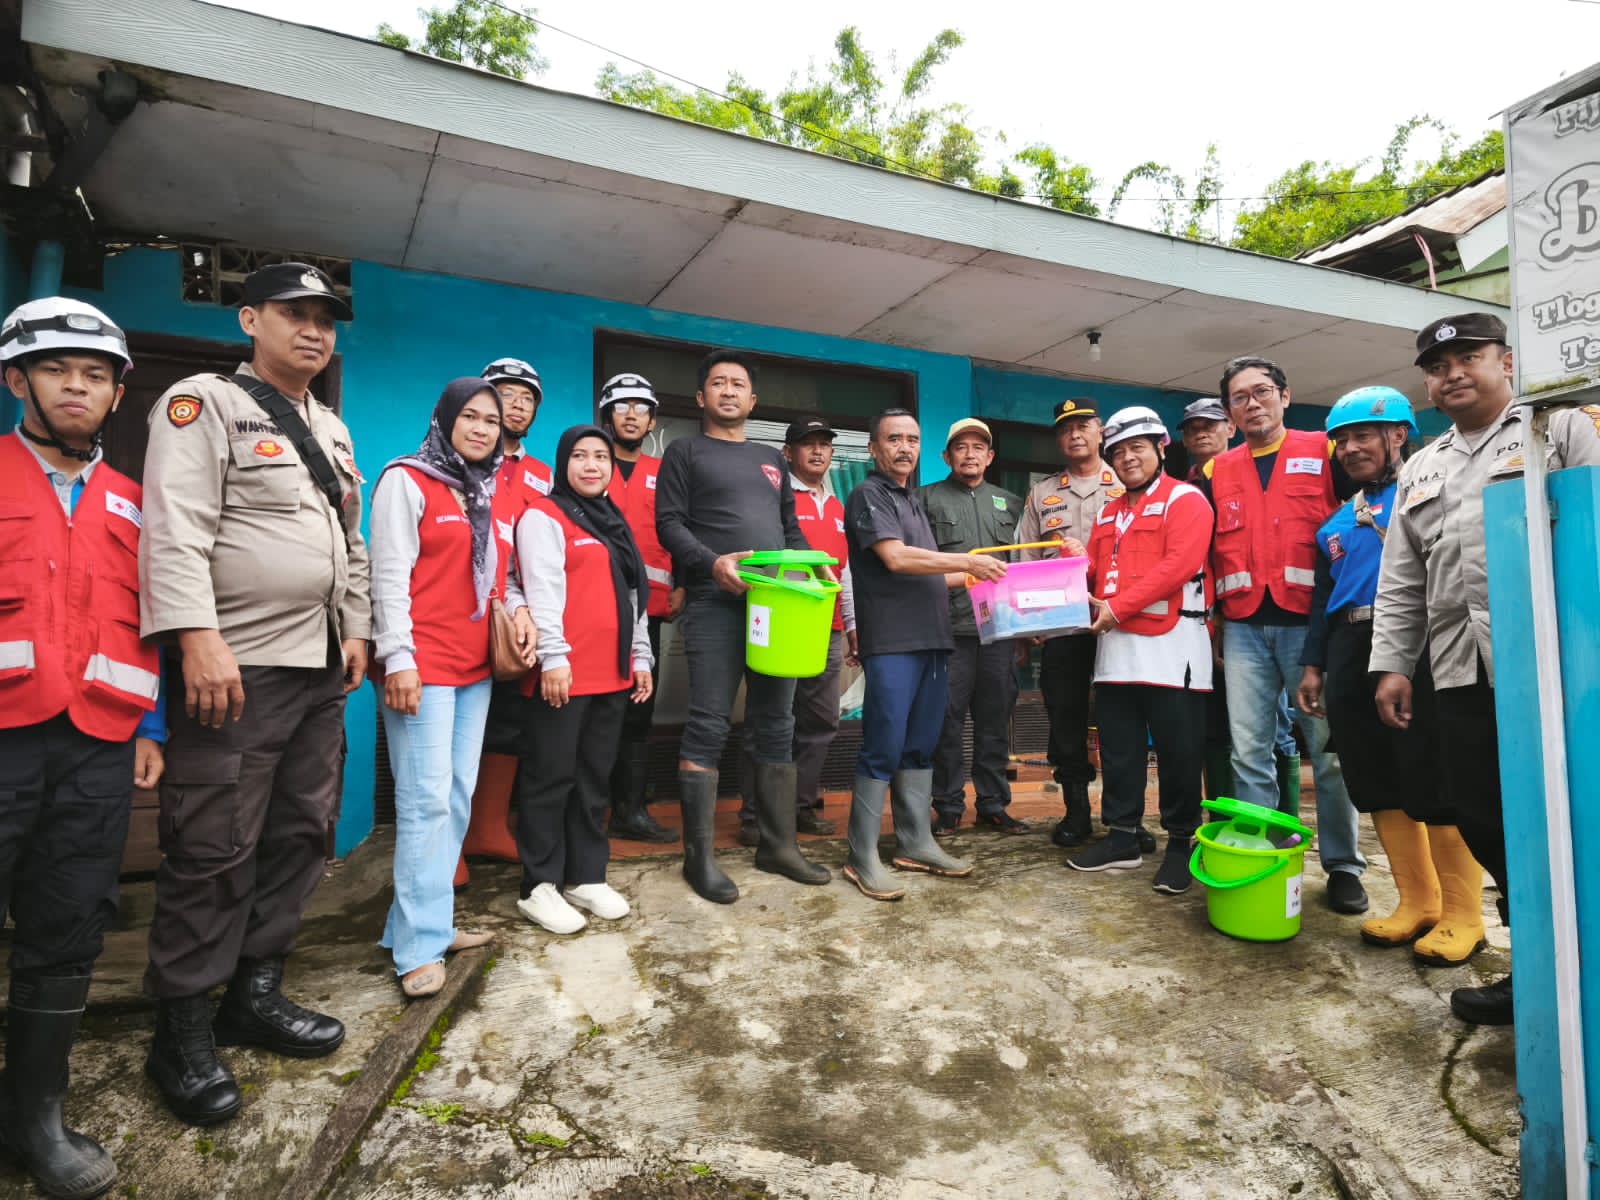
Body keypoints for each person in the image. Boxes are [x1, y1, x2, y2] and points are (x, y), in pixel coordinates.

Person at [139, 261, 370, 1126]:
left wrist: (358, 628)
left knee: (298, 835)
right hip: (235, 668)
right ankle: (183, 1031)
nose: (314, 330)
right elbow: (174, 527)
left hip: (317, 670)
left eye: (326, 319)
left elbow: (349, 544)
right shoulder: (203, 404)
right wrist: (195, 637)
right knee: (214, 847)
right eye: (295, 314)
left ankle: (254, 992)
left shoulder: (334, 430)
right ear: (249, 320)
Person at [1371, 313, 1600, 1025]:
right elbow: (1401, 579)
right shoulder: (1422, 465)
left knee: (1575, 813)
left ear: (1506, 360)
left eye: (1469, 357)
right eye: (1438, 367)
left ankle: (1582, 963)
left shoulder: (1559, 429)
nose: (1453, 374)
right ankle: (1536, 965)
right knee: (1482, 814)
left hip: (1562, 665)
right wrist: (1392, 666)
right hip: (1461, 672)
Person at [0, 299, 164, 1198]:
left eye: (95, 375)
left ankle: (33, 1114)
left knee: (67, 929)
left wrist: (153, 727)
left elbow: (153, 628)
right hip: (5, 736)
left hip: (99, 744)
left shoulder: (134, 504)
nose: (77, 386)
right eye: (59, 369)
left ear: (115, 394)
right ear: (17, 379)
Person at [1297, 387, 1484, 964]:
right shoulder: (1335, 523)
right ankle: (1416, 902)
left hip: (1420, 642)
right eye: (1342, 441)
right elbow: (1321, 602)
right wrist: (1314, 665)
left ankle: (1463, 914)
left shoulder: (1433, 496)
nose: (1351, 449)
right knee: (1374, 777)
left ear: (1398, 435)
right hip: (1350, 647)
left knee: (1435, 776)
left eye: (1363, 436)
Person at [655, 349, 829, 902]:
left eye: (738, 385)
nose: (728, 391)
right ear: (701, 397)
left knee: (777, 721)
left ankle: (777, 846)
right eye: (717, 383)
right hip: (714, 601)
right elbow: (668, 523)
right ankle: (699, 859)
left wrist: (814, 564)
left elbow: (788, 528)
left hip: (776, 604)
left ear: (752, 401)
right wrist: (713, 564)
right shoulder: (684, 452)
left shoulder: (770, 459)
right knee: (708, 721)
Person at [369, 379, 521, 998]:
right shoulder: (406, 480)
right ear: (443, 419)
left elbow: (493, 576)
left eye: (492, 420)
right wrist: (397, 658)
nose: (483, 428)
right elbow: (387, 575)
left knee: (455, 797)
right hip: (421, 665)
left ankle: (426, 922)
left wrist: (518, 608)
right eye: (471, 417)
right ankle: (415, 951)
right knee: (425, 801)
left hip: (472, 667)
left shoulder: (482, 491)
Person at [1200, 356, 1367, 914]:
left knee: (1328, 752)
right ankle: (1266, 852)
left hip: (1310, 625)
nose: (1252, 403)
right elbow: (1210, 554)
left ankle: (1343, 865)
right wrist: (1216, 623)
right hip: (1245, 625)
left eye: (1262, 391)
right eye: (1240, 397)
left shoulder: (1323, 451)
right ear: (1228, 412)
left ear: (1285, 396)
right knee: (1250, 750)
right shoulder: (1216, 471)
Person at [841, 409, 1006, 901]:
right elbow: (895, 558)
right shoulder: (869, 495)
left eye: (912, 439)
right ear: (874, 448)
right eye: (893, 439)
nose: (904, 448)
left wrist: (981, 575)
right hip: (893, 641)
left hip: (934, 640)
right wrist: (965, 559)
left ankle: (915, 842)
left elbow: (932, 572)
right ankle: (861, 854)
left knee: (919, 745)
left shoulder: (909, 500)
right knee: (883, 744)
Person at [507, 425, 655, 933]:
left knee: (593, 780)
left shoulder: (613, 522)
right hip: (563, 674)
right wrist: (552, 658)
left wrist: (641, 657)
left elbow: (635, 599)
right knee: (550, 778)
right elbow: (542, 591)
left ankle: (585, 875)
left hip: (611, 675)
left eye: (600, 457)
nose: (591, 465)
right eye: (580, 456)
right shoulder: (543, 516)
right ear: (562, 463)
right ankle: (539, 885)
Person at [1065, 408, 1213, 894]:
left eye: (1137, 448)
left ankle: (1180, 843)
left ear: (1160, 449)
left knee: (1178, 752)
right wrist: (1073, 563)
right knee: (1120, 750)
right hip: (1115, 651)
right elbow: (1097, 572)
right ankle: (1123, 837)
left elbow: (1178, 565)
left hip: (1174, 650)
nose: (1128, 458)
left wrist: (1118, 607)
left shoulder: (1186, 499)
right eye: (1118, 452)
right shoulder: (1110, 511)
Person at [1018, 399, 1154, 851]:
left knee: (1124, 722)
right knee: (1067, 722)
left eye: (1084, 427)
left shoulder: (1127, 481)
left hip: (1121, 625)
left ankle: (1125, 819)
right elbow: (1026, 558)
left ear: (1100, 433)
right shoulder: (1042, 493)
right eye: (1066, 429)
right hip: (1063, 628)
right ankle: (1077, 813)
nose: (1075, 435)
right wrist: (1029, 622)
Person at [736, 417, 856, 843]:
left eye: (825, 444)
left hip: (828, 626)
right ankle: (754, 815)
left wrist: (852, 623)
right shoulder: (775, 498)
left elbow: (843, 573)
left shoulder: (838, 507)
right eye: (808, 444)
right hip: (785, 622)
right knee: (771, 718)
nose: (818, 451)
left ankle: (799, 807)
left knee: (821, 721)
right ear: (789, 453)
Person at [1180, 397, 1302, 810]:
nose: (1201, 433)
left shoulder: (1255, 473)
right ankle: (1226, 819)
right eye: (1193, 427)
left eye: (1211, 425)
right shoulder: (1186, 486)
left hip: (1272, 617)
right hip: (1213, 622)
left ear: (1230, 428)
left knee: (1276, 728)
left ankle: (1285, 827)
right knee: (1219, 725)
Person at [457, 356, 553, 878]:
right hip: (462, 610)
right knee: (454, 729)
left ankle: (488, 830)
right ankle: (447, 848)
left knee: (509, 723)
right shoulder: (456, 459)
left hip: (522, 614)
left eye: (526, 397)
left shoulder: (542, 474)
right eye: (505, 394)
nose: (516, 404)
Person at [917, 418, 1026, 834]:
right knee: (946, 720)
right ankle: (947, 806)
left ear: (990, 456)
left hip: (998, 630)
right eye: (960, 447)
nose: (970, 454)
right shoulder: (924, 499)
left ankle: (993, 804)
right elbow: (918, 562)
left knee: (995, 719)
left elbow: (1022, 567)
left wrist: (1023, 630)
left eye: (978, 447)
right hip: (947, 630)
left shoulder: (1011, 503)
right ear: (946, 456)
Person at [600, 372, 679, 844]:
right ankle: (589, 810)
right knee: (593, 710)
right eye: (622, 405)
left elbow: (677, 530)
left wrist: (683, 584)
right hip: (591, 610)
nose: (631, 414)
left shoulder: (663, 470)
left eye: (640, 407)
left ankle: (630, 811)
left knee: (637, 710)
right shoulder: (588, 461)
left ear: (652, 419)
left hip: (648, 613)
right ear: (608, 413)